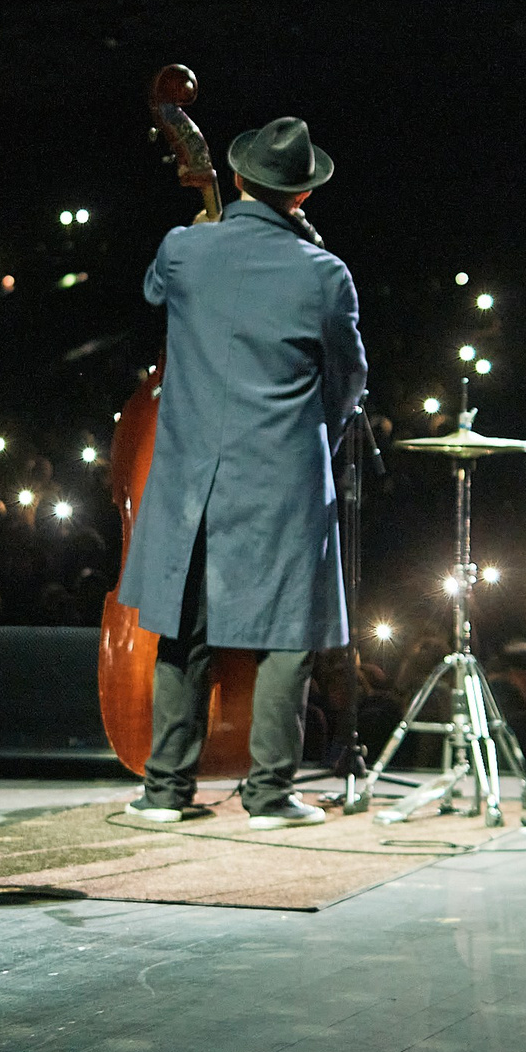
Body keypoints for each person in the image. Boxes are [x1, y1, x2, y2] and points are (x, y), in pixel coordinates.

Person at [116, 116, 366, 830]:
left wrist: (203, 225)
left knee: (183, 628)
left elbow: (154, 290)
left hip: (192, 476)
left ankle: (165, 791)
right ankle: (269, 796)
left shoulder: (184, 248)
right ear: (303, 196)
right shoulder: (324, 274)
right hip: (284, 480)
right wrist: (310, 432)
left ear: (236, 178)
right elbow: (348, 382)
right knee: (287, 635)